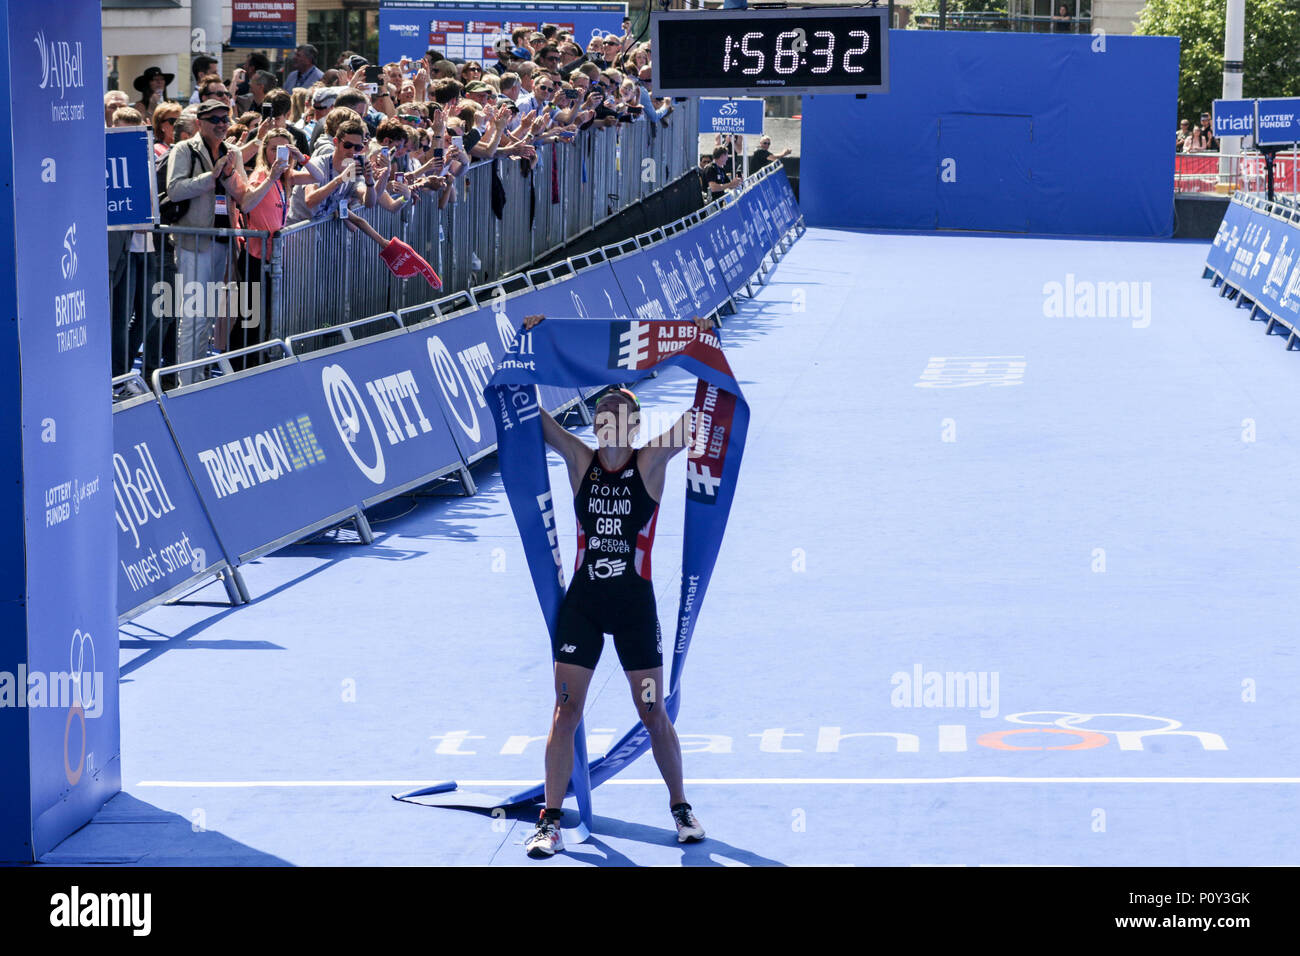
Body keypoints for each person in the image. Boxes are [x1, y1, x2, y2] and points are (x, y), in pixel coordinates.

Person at [517, 313, 710, 858]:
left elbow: (701, 414)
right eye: (600, 415)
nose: (605, 424)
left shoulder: (650, 463)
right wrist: (529, 346)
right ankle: (550, 821)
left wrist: (701, 346)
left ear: (633, 423)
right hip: (584, 608)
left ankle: (681, 808)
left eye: (616, 415)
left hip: (632, 610)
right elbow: (532, 417)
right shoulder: (581, 461)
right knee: (565, 710)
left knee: (652, 710)